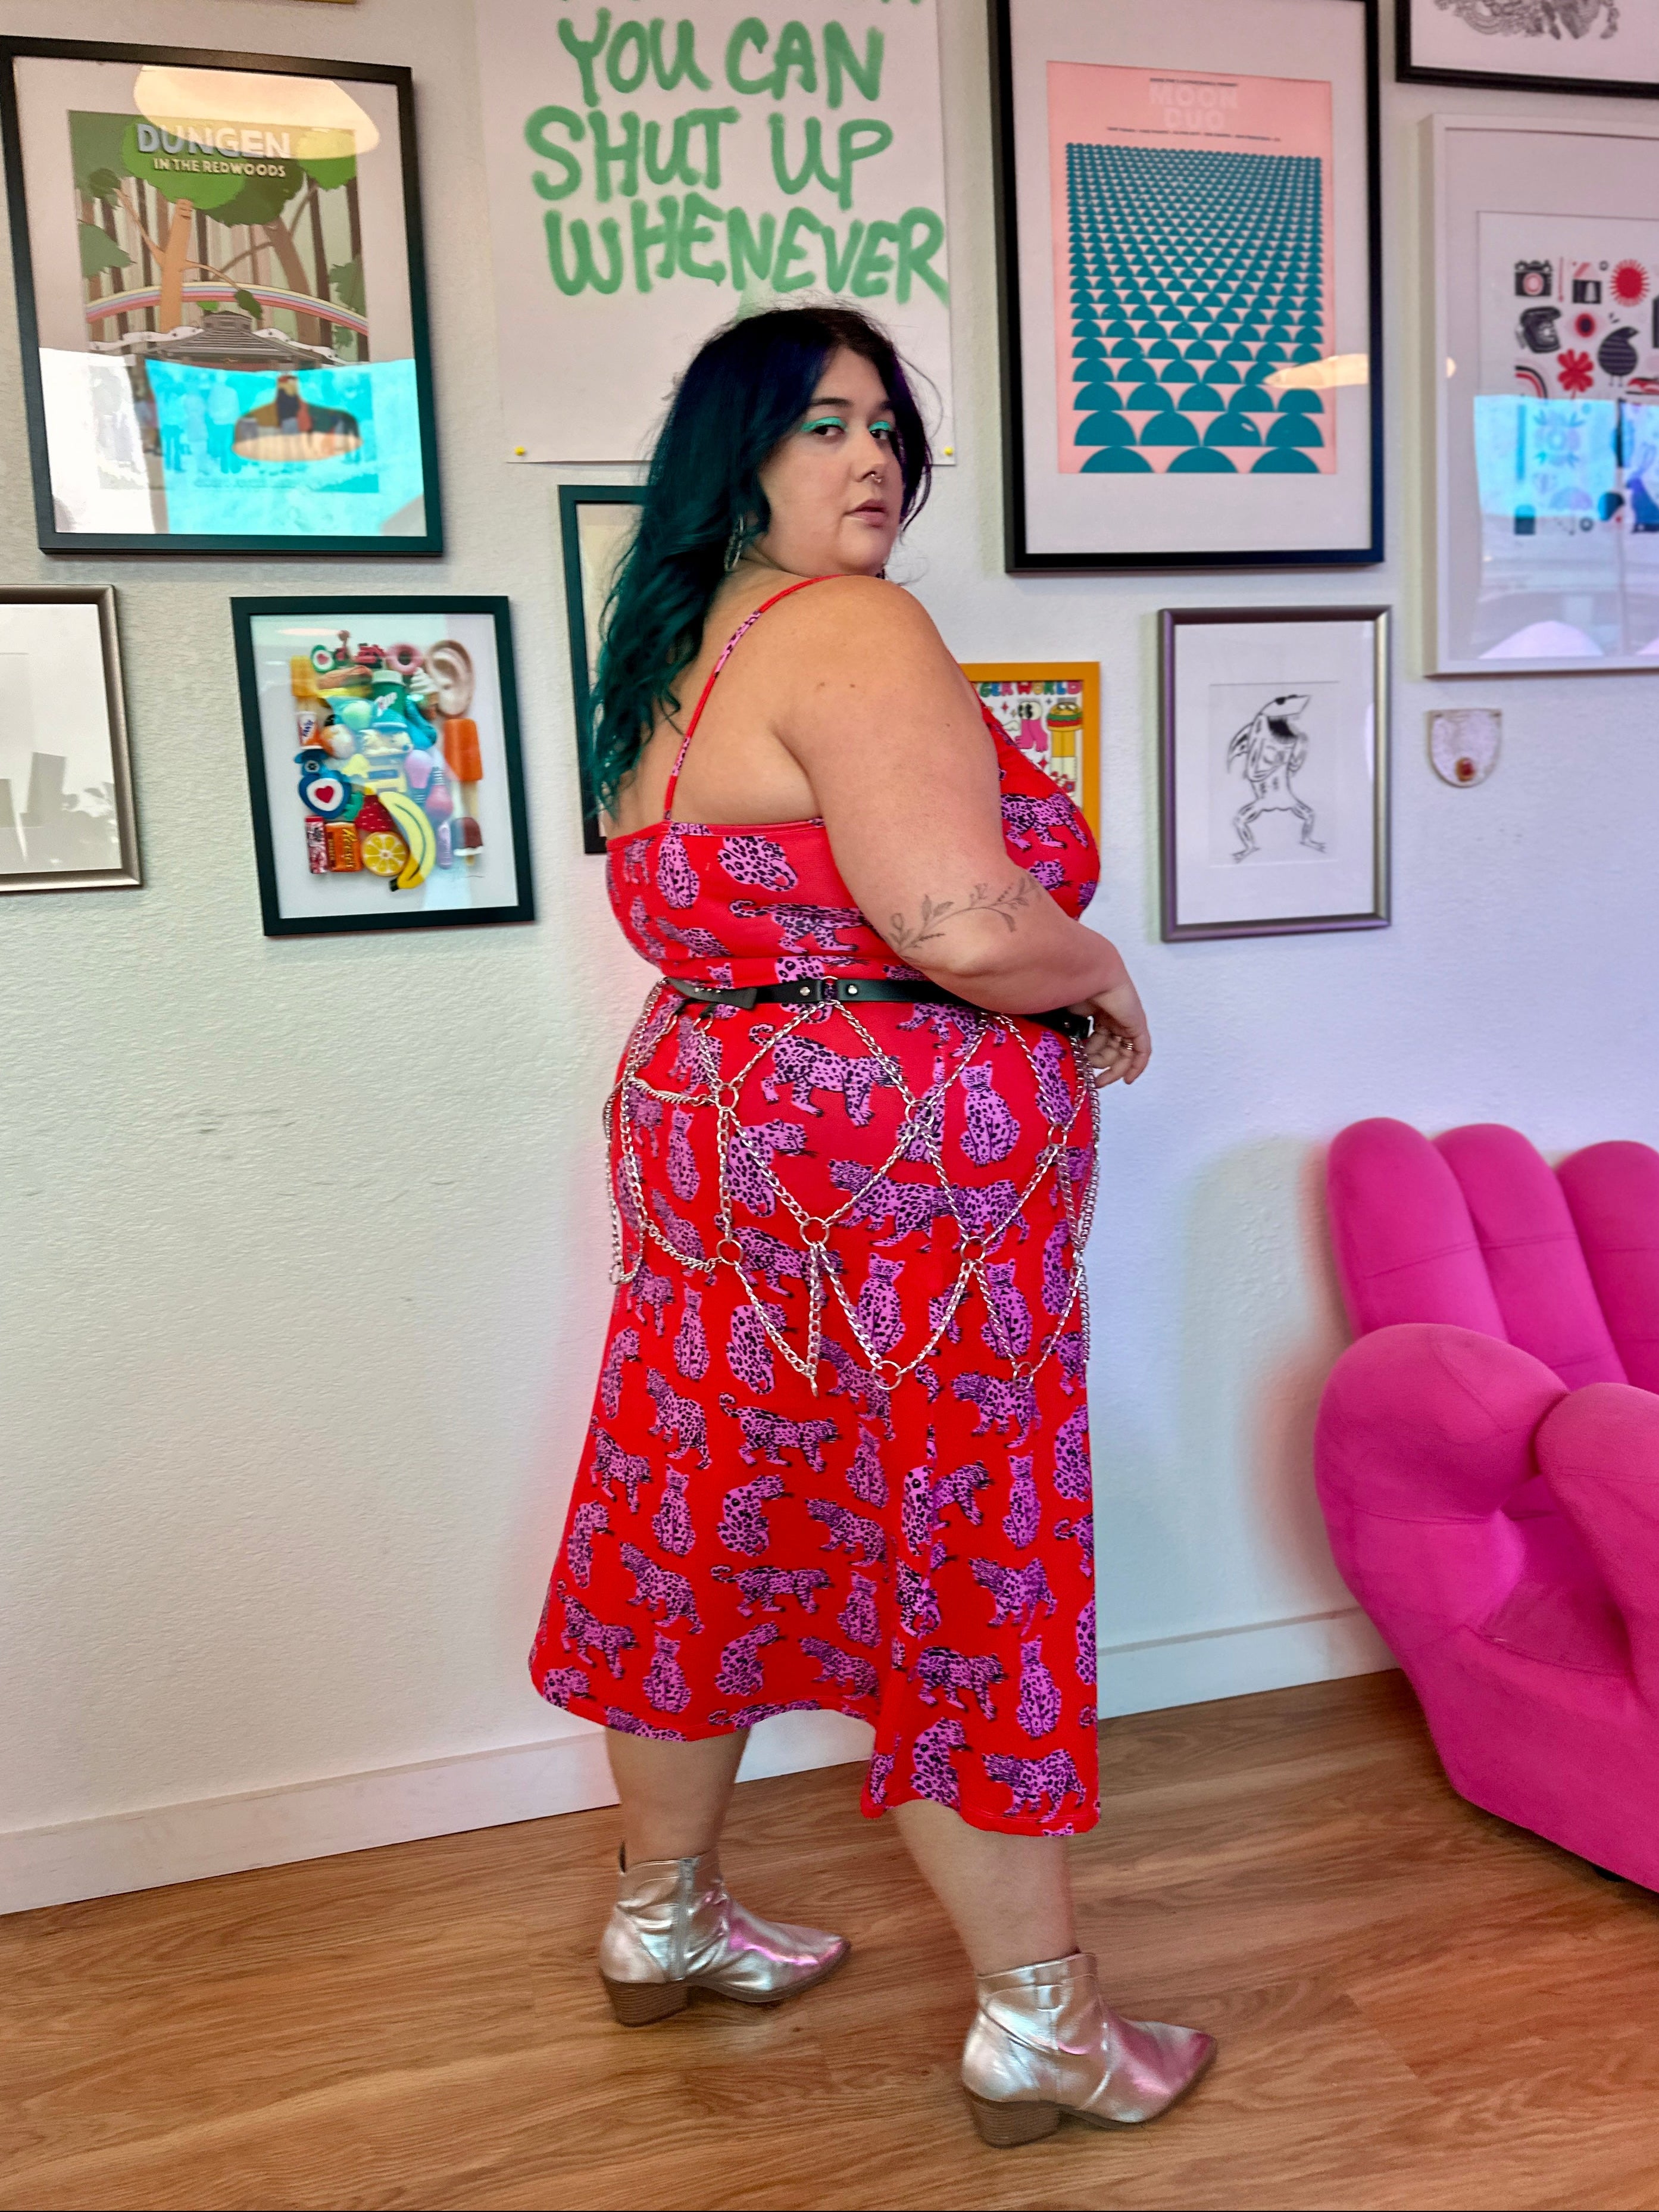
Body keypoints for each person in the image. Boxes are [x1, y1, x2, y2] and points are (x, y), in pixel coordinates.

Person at [530, 304, 1214, 2146]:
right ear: (730, 453)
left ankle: (664, 1916)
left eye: (888, 425)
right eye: (821, 423)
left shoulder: (675, 644)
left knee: (708, 1513)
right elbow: (963, 920)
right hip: (891, 1219)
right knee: (950, 1562)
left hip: (718, 1162)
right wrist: (1102, 975)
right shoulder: (849, 627)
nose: (872, 457)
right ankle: (1041, 2025)